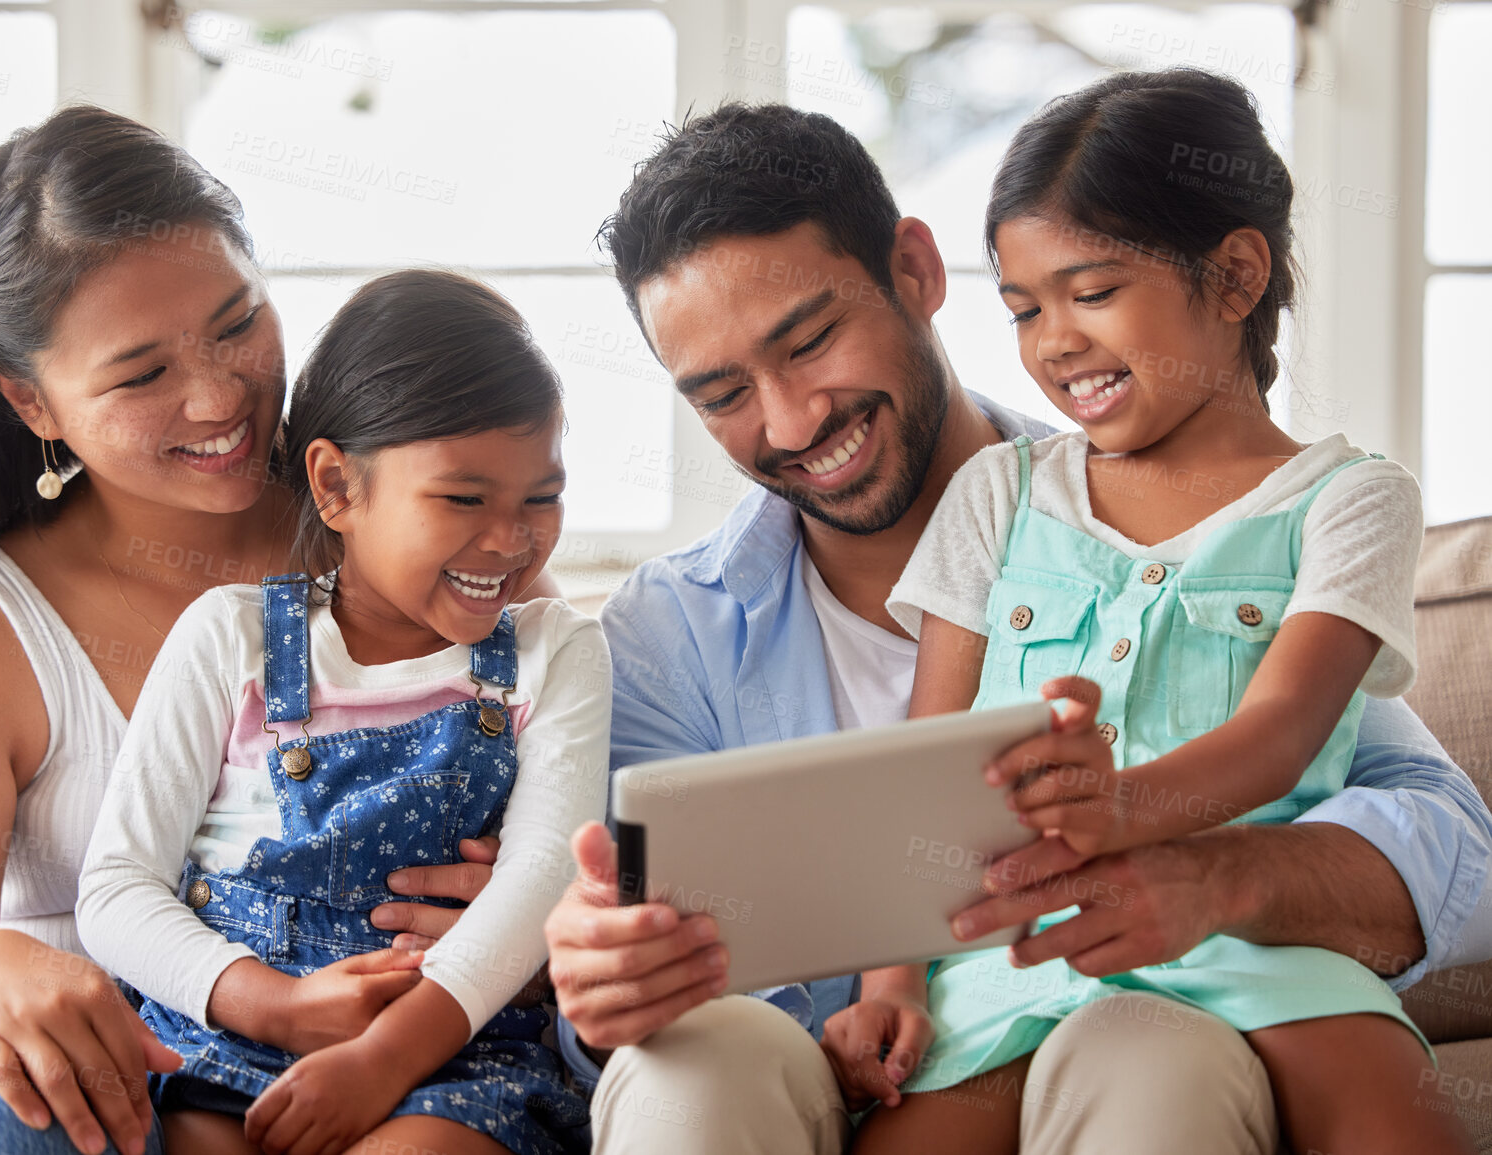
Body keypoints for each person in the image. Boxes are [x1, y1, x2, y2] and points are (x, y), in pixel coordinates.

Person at [538, 97, 1492, 1154]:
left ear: (915, 270)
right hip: (843, 1058)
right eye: (722, 395)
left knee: (1146, 1050)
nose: (792, 421)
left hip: (1137, 1013)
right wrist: (598, 970)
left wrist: (1214, 869)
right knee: (689, 1062)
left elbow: (1441, 837)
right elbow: (606, 949)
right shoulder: (665, 639)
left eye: (811, 342)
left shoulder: (1226, 520)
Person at [0, 107, 543, 1155]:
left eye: (236, 322)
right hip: (121, 1090)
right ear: (31, 400)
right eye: (140, 375)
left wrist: (530, 908)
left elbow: (583, 799)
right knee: (6, 1114)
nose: (222, 396)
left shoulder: (416, 518)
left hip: (403, 1074)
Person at [821, 69, 1471, 1155]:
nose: (1052, 342)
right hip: (1011, 957)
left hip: (1250, 942)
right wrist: (892, 974)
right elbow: (927, 764)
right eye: (1025, 309)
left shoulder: (1352, 501)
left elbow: (1280, 738)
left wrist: (1123, 808)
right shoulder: (1001, 493)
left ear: (1235, 275)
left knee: (1400, 1119)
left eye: (1092, 291)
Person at [75, 268, 603, 1155]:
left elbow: (543, 875)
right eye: (465, 498)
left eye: (540, 497)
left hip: (452, 1055)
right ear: (336, 486)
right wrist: (273, 1006)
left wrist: (386, 1058)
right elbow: (116, 889)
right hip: (229, 1042)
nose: (512, 538)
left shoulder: (556, 654)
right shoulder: (228, 639)